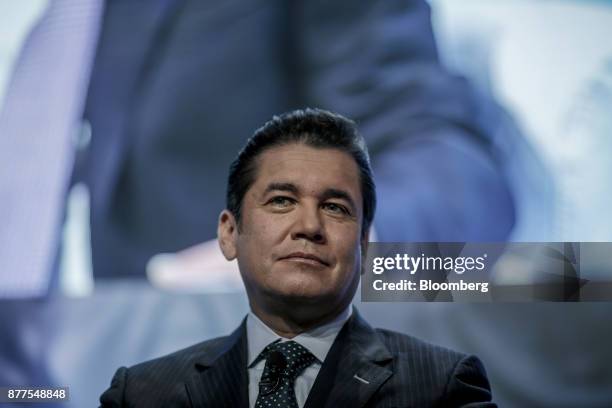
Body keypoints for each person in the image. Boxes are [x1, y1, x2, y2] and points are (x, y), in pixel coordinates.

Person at [99, 109, 495, 407]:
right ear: (229, 234)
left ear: (365, 244)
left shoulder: (442, 388)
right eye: (282, 201)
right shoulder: (142, 394)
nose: (309, 226)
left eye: (336, 208)